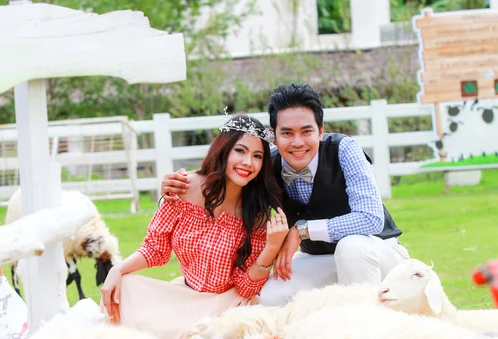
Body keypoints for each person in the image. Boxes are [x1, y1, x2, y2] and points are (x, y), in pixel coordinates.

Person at [161, 83, 410, 306]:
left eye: (306, 132)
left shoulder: (344, 150)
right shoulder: (267, 164)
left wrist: (301, 230)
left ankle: (364, 332)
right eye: (287, 133)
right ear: (275, 136)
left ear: (320, 131)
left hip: (378, 254)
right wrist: (183, 183)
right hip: (319, 258)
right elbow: (228, 175)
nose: (297, 142)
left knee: (351, 247)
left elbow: (371, 219)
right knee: (267, 297)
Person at [100, 114, 288, 339]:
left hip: (226, 305)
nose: (248, 162)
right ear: (223, 149)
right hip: (185, 296)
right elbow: (155, 249)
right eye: (240, 151)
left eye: (257, 156)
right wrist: (117, 269)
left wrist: (271, 248)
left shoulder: (257, 213)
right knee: (124, 288)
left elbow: (246, 287)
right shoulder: (183, 187)